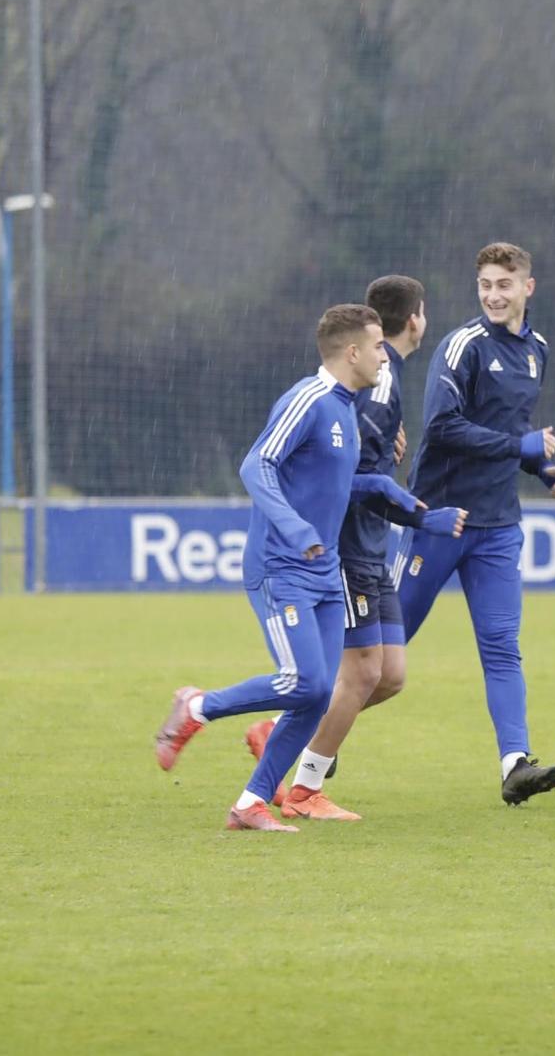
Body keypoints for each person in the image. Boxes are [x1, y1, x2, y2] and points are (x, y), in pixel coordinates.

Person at [150, 304, 462, 832]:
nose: (385, 354)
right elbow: (257, 464)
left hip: (323, 570)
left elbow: (340, 488)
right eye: (377, 346)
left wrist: (410, 510)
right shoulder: (310, 399)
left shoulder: (346, 409)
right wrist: (295, 529)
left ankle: (250, 804)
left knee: (318, 692)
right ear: (352, 352)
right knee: (302, 681)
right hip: (281, 566)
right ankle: (198, 705)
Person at [241, 276, 459, 821]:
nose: (381, 355)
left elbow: (361, 454)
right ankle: (303, 783)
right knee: (358, 675)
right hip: (348, 549)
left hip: (373, 547)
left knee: (389, 677)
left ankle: (288, 734)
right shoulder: (368, 385)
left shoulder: (386, 380)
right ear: (415, 320)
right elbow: (339, 466)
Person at [398, 242, 555, 805]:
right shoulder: (462, 347)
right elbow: (442, 428)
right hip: (440, 518)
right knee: (381, 654)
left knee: (502, 646)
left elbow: (508, 429)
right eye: (485, 286)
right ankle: (285, 733)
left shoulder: (537, 350)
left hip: (499, 524)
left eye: (505, 284)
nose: (494, 295)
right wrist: (519, 446)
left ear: (529, 286)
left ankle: (515, 764)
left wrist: (538, 466)